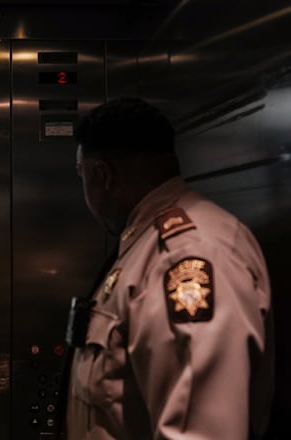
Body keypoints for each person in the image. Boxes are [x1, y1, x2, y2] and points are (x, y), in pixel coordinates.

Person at [66, 97, 274, 439]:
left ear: (102, 175)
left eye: (81, 175)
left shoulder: (186, 256)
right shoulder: (148, 242)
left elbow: (201, 431)